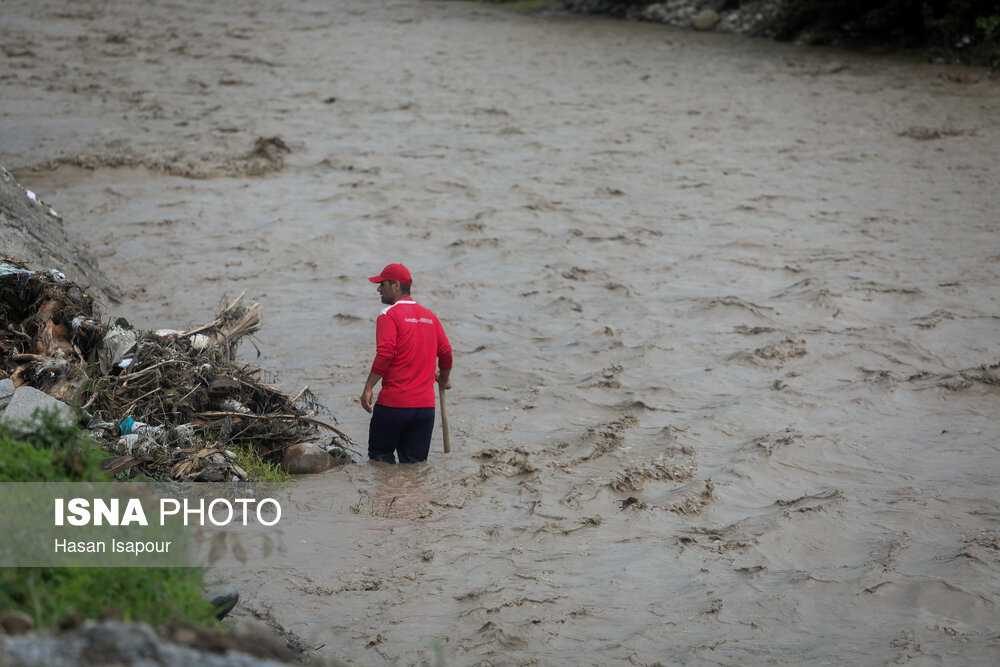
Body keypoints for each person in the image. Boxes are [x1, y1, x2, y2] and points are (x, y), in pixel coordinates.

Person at [360, 263, 452, 463]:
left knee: (380, 463)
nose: (378, 289)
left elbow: (385, 353)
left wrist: (368, 387)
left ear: (395, 285)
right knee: (414, 470)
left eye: (382, 284)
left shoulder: (389, 315)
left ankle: (388, 496)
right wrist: (444, 379)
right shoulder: (430, 317)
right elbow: (446, 352)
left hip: (393, 406)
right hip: (425, 410)